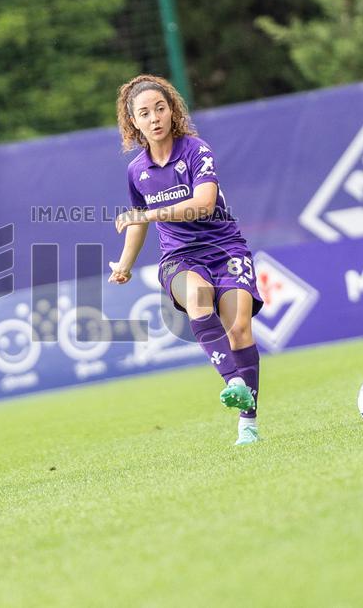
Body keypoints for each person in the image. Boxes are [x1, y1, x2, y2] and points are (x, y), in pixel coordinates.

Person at [108, 75, 264, 446]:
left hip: (226, 248)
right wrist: (125, 264)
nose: (154, 118)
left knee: (240, 328)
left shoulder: (196, 150)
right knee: (197, 299)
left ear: (172, 110)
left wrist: (146, 216)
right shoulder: (136, 171)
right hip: (179, 257)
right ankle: (234, 382)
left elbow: (203, 203)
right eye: (144, 113)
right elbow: (136, 221)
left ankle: (248, 424)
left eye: (160, 109)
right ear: (134, 122)